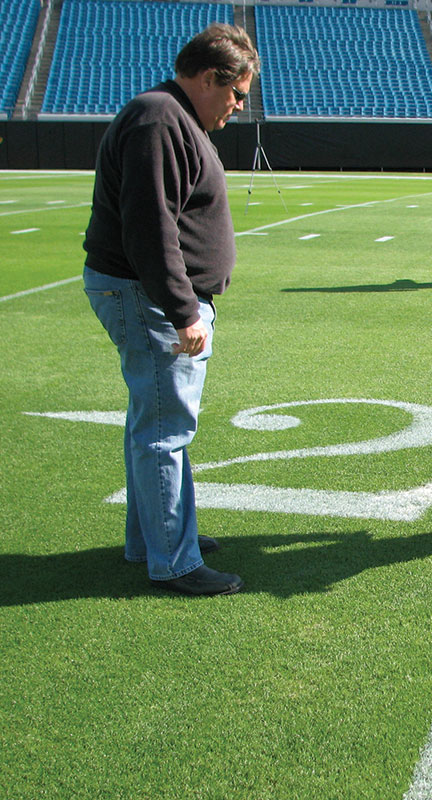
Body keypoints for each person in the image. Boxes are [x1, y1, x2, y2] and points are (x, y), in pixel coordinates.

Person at [83, 24, 260, 594]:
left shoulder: (169, 116)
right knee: (165, 427)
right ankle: (173, 559)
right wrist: (184, 309)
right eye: (236, 94)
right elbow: (150, 225)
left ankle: (155, 536)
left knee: (154, 420)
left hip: (148, 292)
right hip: (147, 294)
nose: (237, 108)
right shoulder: (160, 118)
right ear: (209, 77)